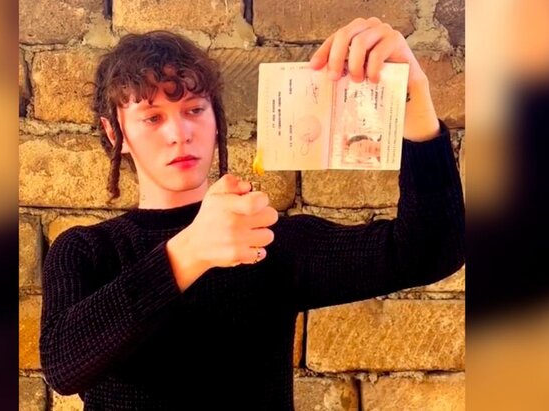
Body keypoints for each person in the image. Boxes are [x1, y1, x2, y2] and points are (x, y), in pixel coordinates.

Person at [39, 17, 465, 410]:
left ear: (216, 119)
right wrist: (189, 252)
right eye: (152, 118)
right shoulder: (87, 250)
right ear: (115, 131)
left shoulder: (266, 240)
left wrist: (414, 99)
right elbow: (63, 365)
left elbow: (428, 250)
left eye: (194, 110)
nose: (179, 134)